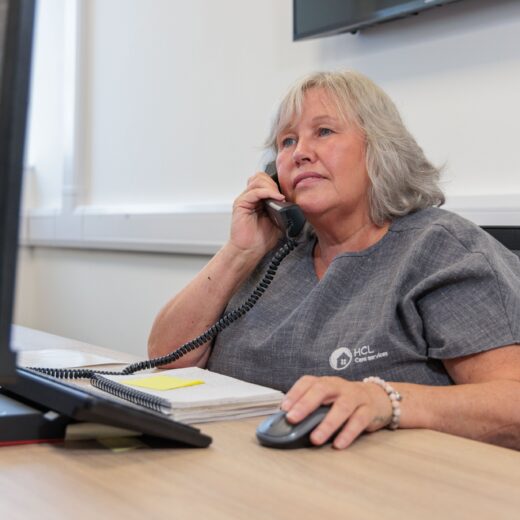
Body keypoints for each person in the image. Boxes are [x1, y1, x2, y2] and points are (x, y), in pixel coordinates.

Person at [148, 70, 520, 450]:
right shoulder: (274, 252)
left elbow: (513, 406)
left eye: (323, 132)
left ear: (380, 147)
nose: (299, 152)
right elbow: (168, 360)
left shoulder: (441, 249)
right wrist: (239, 252)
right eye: (287, 141)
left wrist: (385, 401)